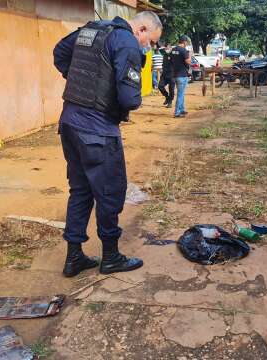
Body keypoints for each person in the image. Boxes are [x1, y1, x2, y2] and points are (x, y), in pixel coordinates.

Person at [53, 11, 162, 277]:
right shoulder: (125, 41)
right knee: (110, 192)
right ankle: (111, 257)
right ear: (143, 29)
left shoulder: (91, 30)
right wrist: (104, 91)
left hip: (69, 122)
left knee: (80, 191)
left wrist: (88, 85)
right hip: (97, 131)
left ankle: (74, 257)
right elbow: (129, 99)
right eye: (151, 41)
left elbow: (59, 53)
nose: (149, 46)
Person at [170, 35, 191, 118]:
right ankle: (177, 112)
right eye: (186, 42)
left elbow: (171, 61)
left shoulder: (173, 50)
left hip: (175, 74)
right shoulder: (184, 50)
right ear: (184, 42)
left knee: (181, 93)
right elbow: (188, 62)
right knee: (180, 94)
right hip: (182, 75)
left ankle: (182, 109)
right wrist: (189, 56)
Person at [157, 43, 175, 108]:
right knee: (160, 86)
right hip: (164, 74)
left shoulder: (173, 55)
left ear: (170, 48)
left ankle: (170, 102)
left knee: (171, 89)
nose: (167, 49)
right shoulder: (164, 54)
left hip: (172, 75)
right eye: (166, 48)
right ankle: (167, 97)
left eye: (168, 48)